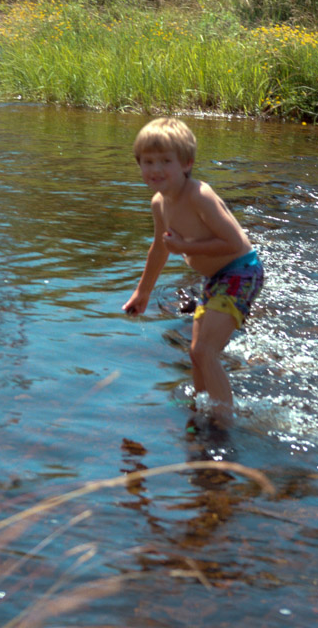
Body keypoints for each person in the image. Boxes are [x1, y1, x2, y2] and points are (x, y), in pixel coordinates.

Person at [122, 117, 264, 427]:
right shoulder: (159, 204)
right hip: (216, 279)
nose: (155, 170)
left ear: (186, 163)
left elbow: (233, 242)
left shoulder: (199, 195)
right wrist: (142, 291)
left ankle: (224, 424)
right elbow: (159, 248)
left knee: (205, 350)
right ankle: (205, 411)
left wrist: (186, 245)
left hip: (240, 271)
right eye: (147, 162)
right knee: (196, 354)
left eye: (165, 161)